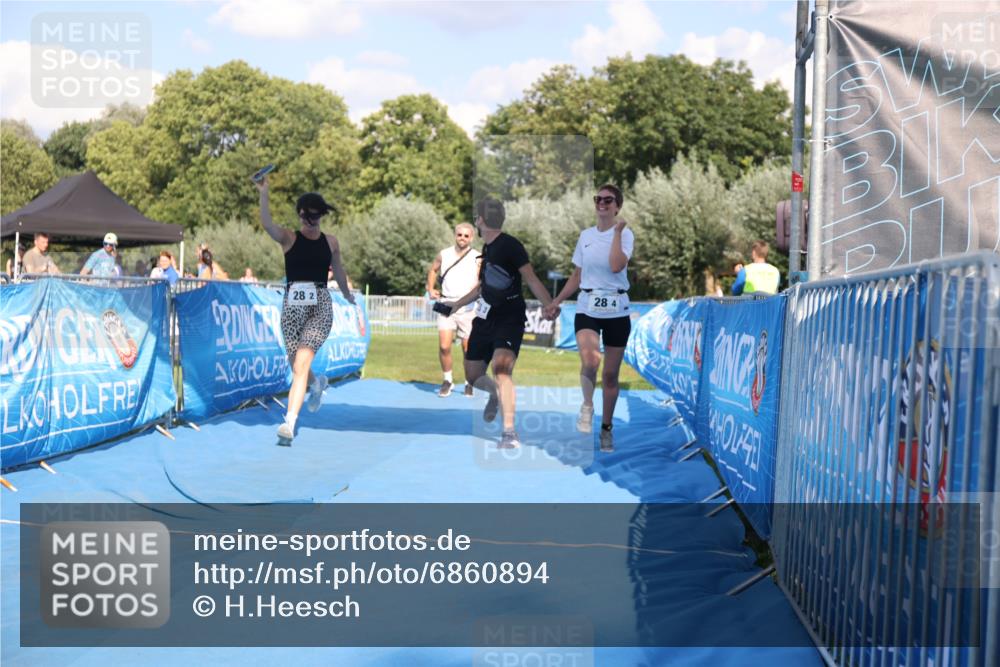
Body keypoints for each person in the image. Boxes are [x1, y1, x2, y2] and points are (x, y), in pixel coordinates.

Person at [439, 198, 558, 449]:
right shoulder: (488, 248)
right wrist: (457, 305)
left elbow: (532, 279)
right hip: (484, 318)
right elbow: (482, 287)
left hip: (509, 318)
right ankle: (494, 393)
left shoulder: (511, 245)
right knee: (472, 376)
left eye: (476, 217)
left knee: (502, 370)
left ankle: (509, 432)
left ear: (481, 221)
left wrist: (549, 304)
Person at [254, 174, 355, 446]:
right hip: (293, 307)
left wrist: (346, 293)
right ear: (300, 216)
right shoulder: (289, 238)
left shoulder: (331, 242)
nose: (310, 223)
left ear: (321, 216)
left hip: (320, 306)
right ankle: (317, 384)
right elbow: (266, 224)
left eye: (315, 218)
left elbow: (340, 269)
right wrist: (264, 192)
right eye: (306, 218)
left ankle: (289, 423)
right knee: (296, 365)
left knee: (300, 364)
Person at [547, 184, 635, 452]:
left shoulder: (626, 234)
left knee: (610, 375)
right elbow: (577, 276)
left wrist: (617, 234)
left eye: (608, 200)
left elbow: (616, 265)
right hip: (588, 306)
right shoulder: (585, 235)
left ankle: (606, 428)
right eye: (598, 199)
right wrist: (556, 301)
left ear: (617, 206)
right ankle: (587, 405)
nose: (602, 203)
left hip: (617, 308)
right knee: (590, 359)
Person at [426, 223, 481, 397]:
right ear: (455, 235)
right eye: (459, 235)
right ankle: (447, 380)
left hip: (468, 307)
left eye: (466, 236)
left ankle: (469, 382)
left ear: (471, 238)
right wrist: (430, 288)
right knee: (444, 346)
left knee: (468, 348)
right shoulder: (444, 254)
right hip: (446, 304)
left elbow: (482, 281)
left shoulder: (478, 257)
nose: (462, 238)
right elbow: (433, 270)